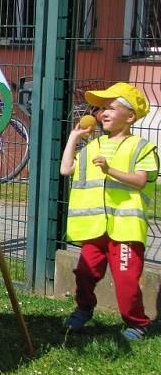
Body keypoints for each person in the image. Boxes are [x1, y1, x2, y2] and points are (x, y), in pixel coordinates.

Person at [60, 82, 157, 340]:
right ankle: (83, 308)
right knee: (84, 273)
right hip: (95, 229)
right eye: (102, 108)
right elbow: (65, 169)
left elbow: (140, 180)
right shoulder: (93, 146)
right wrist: (74, 138)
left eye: (111, 108)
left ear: (131, 116)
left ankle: (136, 322)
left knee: (126, 280)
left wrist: (109, 170)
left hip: (125, 229)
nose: (103, 113)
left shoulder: (142, 147)